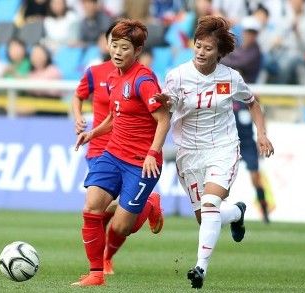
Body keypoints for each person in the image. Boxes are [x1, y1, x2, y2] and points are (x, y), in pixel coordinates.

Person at [154, 15, 274, 289]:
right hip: (188, 152)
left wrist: (262, 134)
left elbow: (253, 103)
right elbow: (166, 111)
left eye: (208, 49)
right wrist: (165, 104)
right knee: (206, 217)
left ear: (219, 53)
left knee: (209, 206)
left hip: (223, 147)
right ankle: (236, 214)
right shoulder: (177, 76)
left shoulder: (231, 78)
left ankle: (200, 269)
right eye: (198, 46)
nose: (201, 52)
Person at [72, 19, 171, 286]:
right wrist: (93, 133)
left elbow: (164, 119)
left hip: (141, 163)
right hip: (113, 154)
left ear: (137, 51)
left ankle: (150, 204)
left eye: (124, 47)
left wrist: (153, 152)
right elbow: (118, 116)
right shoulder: (113, 76)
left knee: (120, 227)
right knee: (91, 208)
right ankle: (95, 274)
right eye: (114, 45)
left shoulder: (143, 79)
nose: (117, 51)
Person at [221, 16, 271, 223]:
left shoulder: (255, 54)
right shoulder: (225, 96)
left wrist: (262, 135)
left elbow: (232, 60)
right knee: (223, 183)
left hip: (247, 142)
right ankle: (223, 212)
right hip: (229, 142)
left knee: (255, 177)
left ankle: (266, 212)